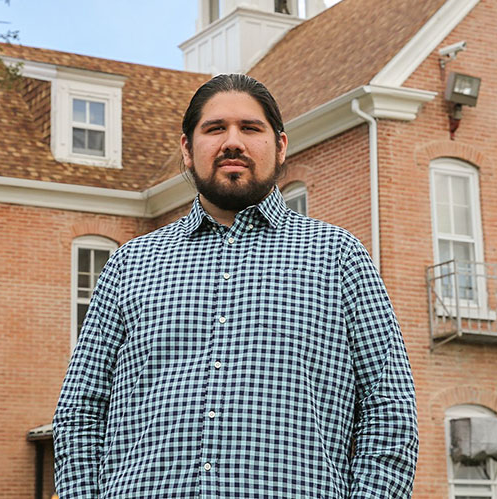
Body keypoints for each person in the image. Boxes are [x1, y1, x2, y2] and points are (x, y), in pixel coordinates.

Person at [53, 74, 418, 498]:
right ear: (188, 151)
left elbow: (389, 410)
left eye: (249, 128)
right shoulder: (129, 264)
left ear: (280, 146)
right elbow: (80, 411)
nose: (232, 142)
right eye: (214, 129)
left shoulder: (339, 258)